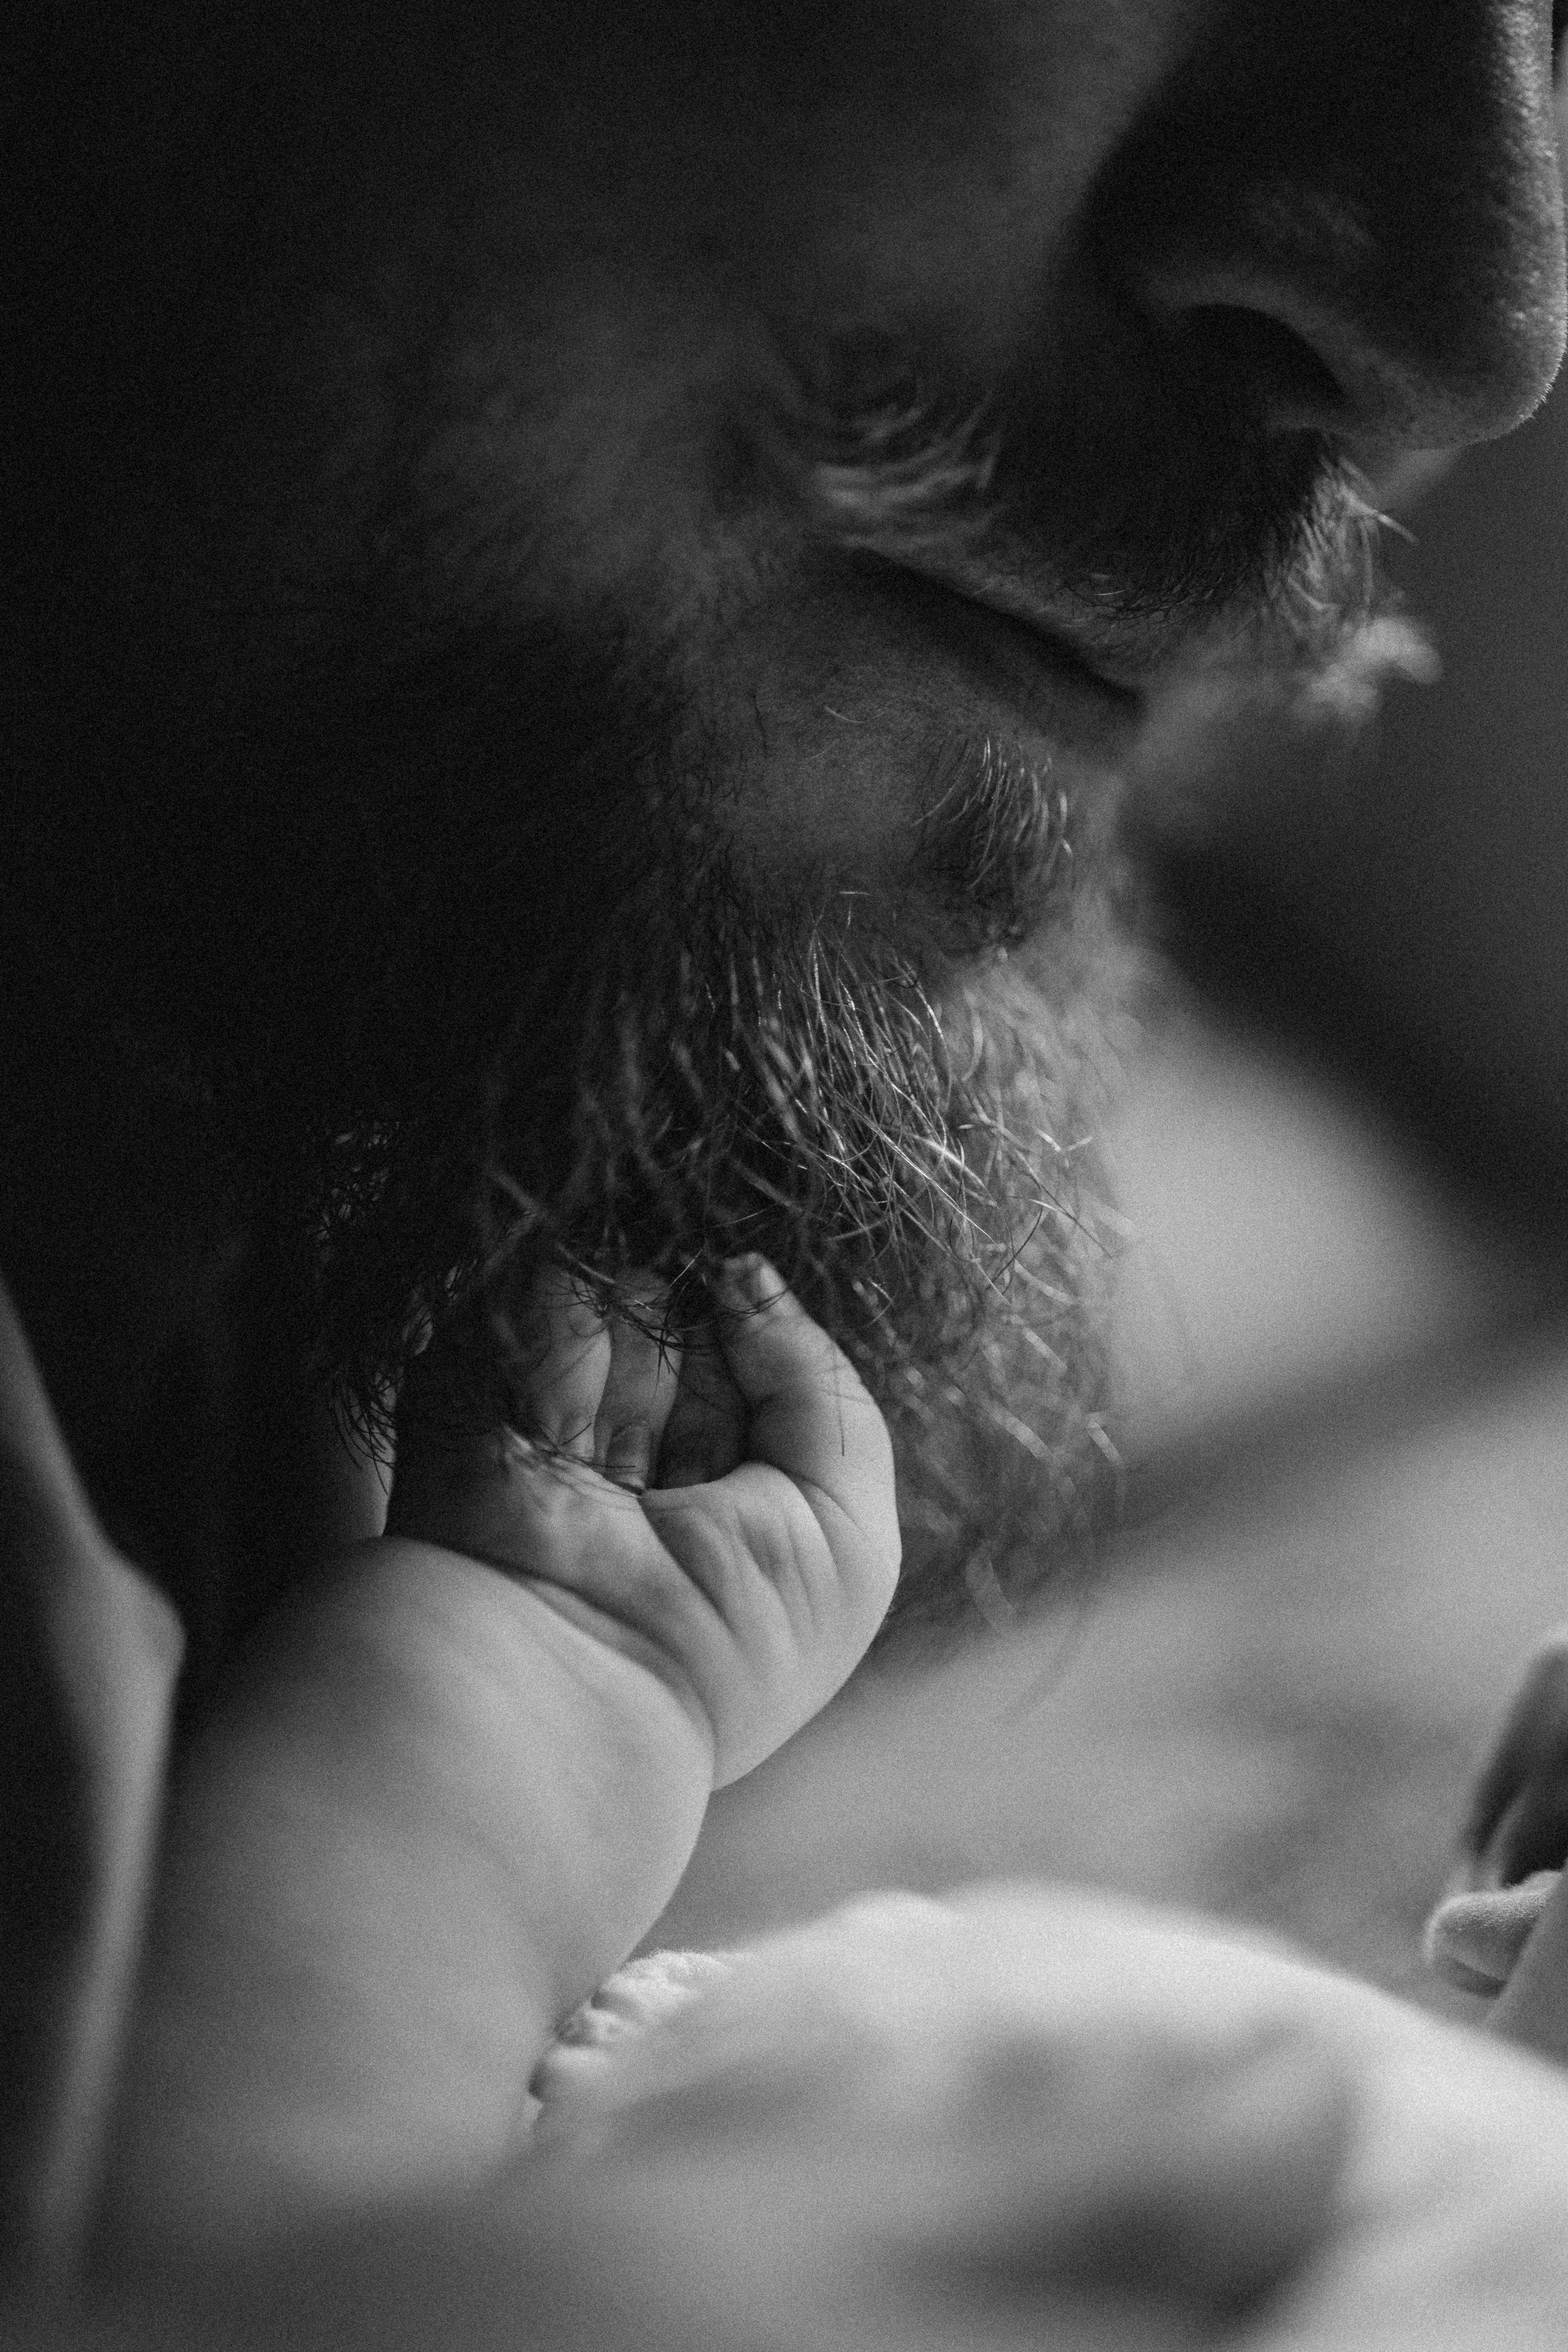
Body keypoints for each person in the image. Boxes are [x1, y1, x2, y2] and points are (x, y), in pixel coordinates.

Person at [9, 0, 1568, 2335]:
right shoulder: (1155, 2114)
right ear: (1529, 1824)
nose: (1486, 316)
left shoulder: (306, 1124)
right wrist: (497, 1727)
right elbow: (251, 2237)